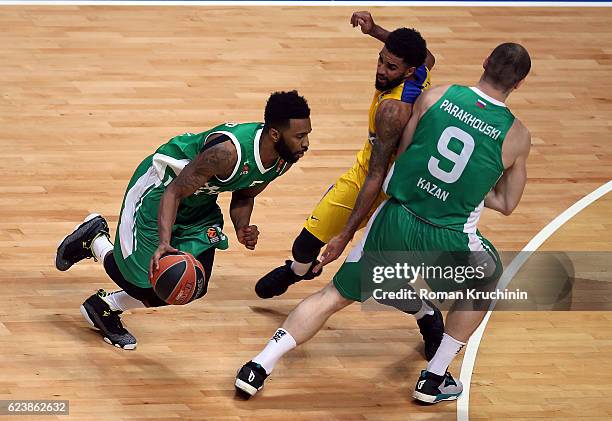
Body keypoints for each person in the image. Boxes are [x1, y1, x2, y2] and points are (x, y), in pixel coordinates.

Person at [235, 43, 531, 405]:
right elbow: (507, 204)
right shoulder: (516, 135)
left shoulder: (436, 97)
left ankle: (257, 366)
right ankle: (434, 378)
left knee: (333, 296)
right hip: (449, 234)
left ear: (484, 62)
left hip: (396, 217)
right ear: (519, 84)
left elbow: (404, 157)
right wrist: (466, 186)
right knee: (484, 281)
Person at [55, 90, 312, 350]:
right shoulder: (226, 152)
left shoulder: (282, 160)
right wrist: (164, 244)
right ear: (275, 135)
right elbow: (174, 192)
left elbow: (245, 194)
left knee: (190, 286)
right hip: (159, 192)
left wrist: (242, 226)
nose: (306, 144)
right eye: (300, 136)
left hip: (199, 206)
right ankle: (95, 239)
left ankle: (104, 307)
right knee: (143, 282)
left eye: (307, 135)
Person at [255, 11, 443, 360]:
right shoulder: (422, 69)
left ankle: (427, 314)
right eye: (381, 61)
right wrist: (376, 32)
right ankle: (298, 270)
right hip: (366, 171)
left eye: (391, 67)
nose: (381, 71)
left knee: (381, 281)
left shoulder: (393, 111)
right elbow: (429, 56)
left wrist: (344, 237)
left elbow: (377, 178)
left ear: (408, 72)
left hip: (395, 194)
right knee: (305, 244)